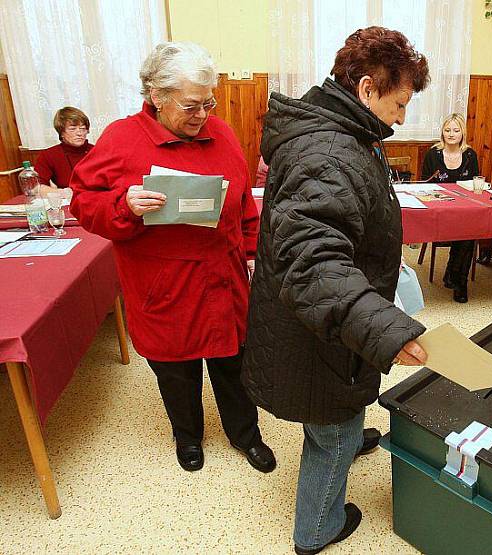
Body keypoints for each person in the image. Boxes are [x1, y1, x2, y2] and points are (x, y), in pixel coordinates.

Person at [242, 27, 430, 555]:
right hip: (318, 327)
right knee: (333, 427)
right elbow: (316, 264)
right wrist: (387, 330)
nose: (402, 118)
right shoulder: (329, 152)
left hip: (324, 321)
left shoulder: (338, 130)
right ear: (367, 89)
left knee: (338, 406)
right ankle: (317, 529)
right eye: (399, 103)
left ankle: (346, 431)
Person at [69, 42, 275, 475]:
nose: (202, 115)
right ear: (156, 97)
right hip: (163, 285)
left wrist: (254, 253)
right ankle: (188, 437)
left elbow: (243, 202)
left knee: (234, 365)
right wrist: (124, 205)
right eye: (191, 105)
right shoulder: (121, 138)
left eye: (208, 103)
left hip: (223, 278)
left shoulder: (220, 133)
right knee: (176, 374)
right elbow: (83, 204)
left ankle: (246, 434)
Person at [420, 113, 479, 303]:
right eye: (447, 130)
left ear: (463, 133)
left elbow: (474, 184)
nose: (451, 134)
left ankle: (458, 281)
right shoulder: (433, 154)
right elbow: (424, 185)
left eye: (456, 130)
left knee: (469, 232)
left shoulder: (470, 155)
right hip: (438, 212)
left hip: (463, 212)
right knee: (464, 232)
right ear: (442, 133)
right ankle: (453, 276)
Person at [34, 106, 93, 191]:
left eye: (83, 128)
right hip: (68, 199)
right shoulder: (49, 155)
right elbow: (36, 187)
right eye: (72, 129)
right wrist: (62, 193)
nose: (79, 133)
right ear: (61, 133)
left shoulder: (97, 151)